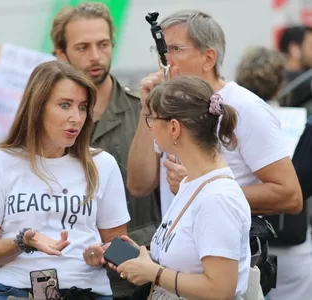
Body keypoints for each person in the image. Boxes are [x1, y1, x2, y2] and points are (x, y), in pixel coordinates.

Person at [0, 60, 130, 300]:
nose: (76, 117)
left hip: (86, 292)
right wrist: (23, 241)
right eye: (65, 105)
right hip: (16, 292)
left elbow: (119, 247)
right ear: (37, 107)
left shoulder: (102, 164)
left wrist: (100, 255)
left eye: (82, 107)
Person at [128, 9, 301, 223]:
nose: (165, 60)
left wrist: (200, 187)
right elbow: (138, 185)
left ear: (208, 58)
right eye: (161, 50)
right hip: (173, 252)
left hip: (224, 251)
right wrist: (147, 111)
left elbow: (290, 196)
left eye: (174, 49)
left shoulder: (246, 108)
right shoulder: (165, 105)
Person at [51, 4, 161, 298]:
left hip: (133, 276)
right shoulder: (43, 122)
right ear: (60, 53)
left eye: (103, 44)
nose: (96, 56)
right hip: (66, 273)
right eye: (82, 47)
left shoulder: (144, 109)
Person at [109, 76, 251, 299]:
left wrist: (154, 273)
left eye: (153, 119)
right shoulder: (191, 183)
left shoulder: (217, 199)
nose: (151, 127)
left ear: (174, 128)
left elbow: (220, 289)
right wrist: (142, 261)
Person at [236, 46, 312, 300]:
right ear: (279, 84)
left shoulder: (229, 120)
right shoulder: (299, 121)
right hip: (294, 241)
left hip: (244, 240)